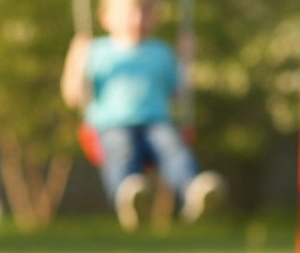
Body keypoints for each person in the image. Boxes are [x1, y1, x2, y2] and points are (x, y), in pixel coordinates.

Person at [60, 0, 224, 231]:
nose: (137, 19)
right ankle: (130, 198)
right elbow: (72, 96)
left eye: (146, 12)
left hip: (156, 124)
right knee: (121, 150)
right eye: (129, 13)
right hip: (111, 125)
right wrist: (75, 59)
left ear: (155, 17)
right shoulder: (96, 50)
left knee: (173, 148)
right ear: (106, 18)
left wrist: (187, 61)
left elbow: (180, 95)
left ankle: (194, 192)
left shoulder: (162, 52)